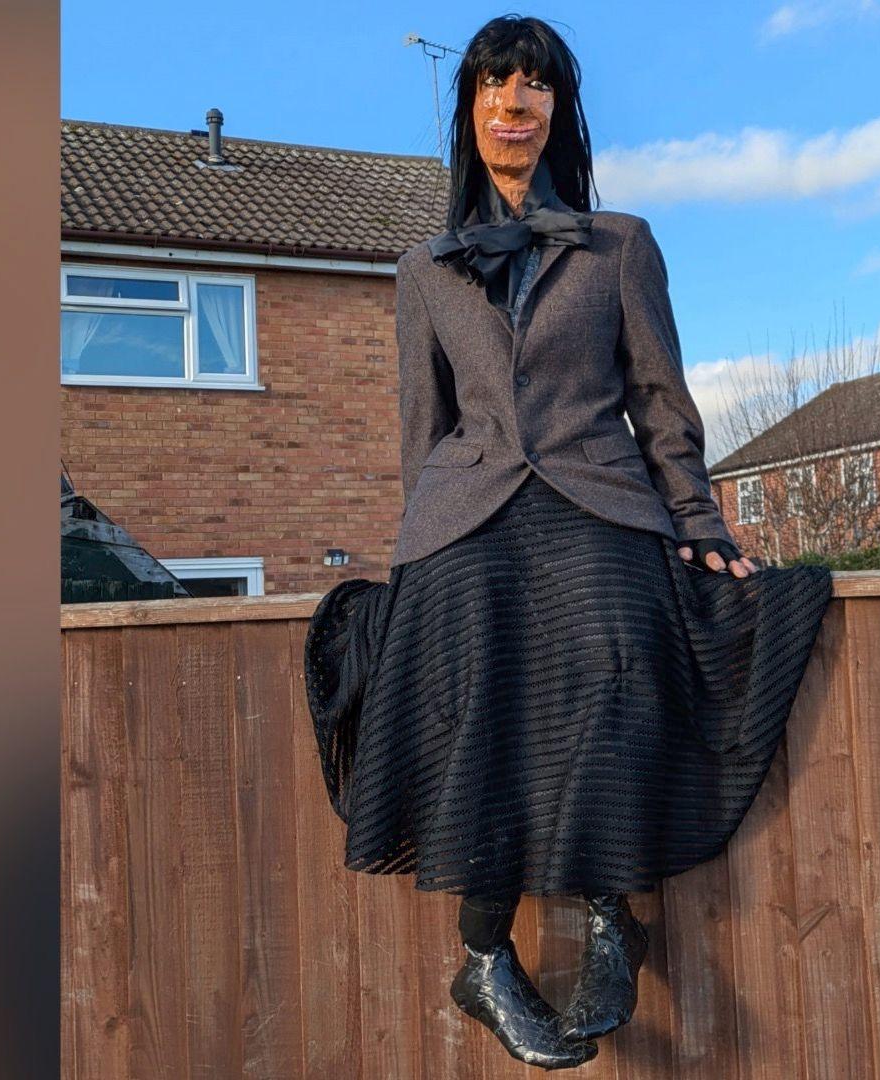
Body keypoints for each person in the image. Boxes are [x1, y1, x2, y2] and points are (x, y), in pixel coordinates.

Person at [302, 14, 833, 1071]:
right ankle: (484, 955)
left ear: (556, 113)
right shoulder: (422, 269)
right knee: (473, 669)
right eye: (495, 84)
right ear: (471, 110)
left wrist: (699, 522)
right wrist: (423, 546)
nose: (513, 102)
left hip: (599, 492)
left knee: (611, 656)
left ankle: (608, 918)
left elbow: (660, 401)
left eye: (533, 87)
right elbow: (426, 427)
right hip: (468, 508)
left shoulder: (619, 245)